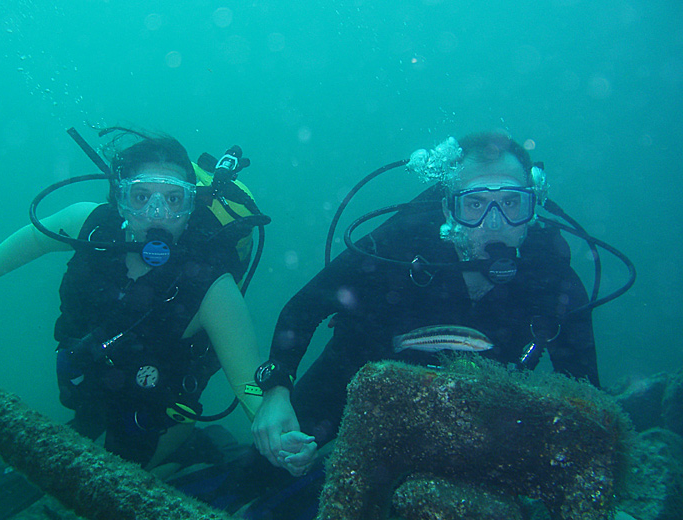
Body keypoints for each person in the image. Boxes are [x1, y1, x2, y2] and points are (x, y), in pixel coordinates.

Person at [251, 131, 601, 477]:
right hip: (347, 383)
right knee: (267, 469)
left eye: (512, 203)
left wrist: (599, 492)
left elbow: (584, 395)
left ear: (533, 206)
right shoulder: (402, 242)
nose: (495, 224)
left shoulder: (552, 278)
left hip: (479, 429)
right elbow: (305, 306)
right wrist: (276, 392)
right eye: (475, 204)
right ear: (449, 207)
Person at [0, 131, 265, 471]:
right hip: (92, 372)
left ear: (191, 207)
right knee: (87, 407)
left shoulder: (212, 286)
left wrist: (273, 420)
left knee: (132, 461)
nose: (157, 214)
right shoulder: (89, 225)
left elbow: (249, 383)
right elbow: (33, 240)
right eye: (141, 196)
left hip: (155, 405)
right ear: (120, 199)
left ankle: (194, 447)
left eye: (174, 200)